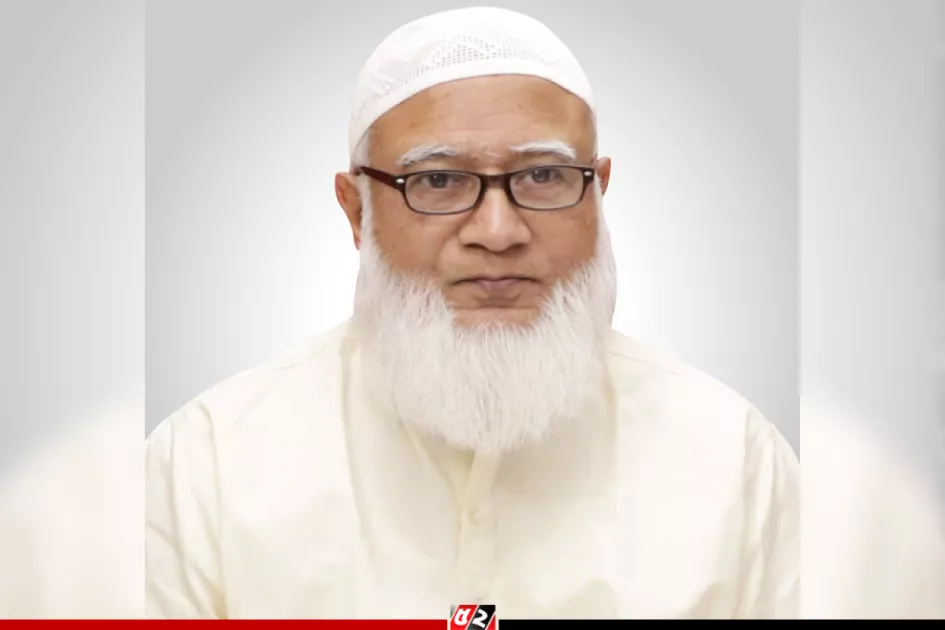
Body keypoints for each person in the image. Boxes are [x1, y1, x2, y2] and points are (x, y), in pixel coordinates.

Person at [145, 7, 799, 619]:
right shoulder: (207, 469)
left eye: (542, 176)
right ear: (356, 210)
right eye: (437, 180)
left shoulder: (732, 461)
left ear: (597, 193)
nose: (497, 231)